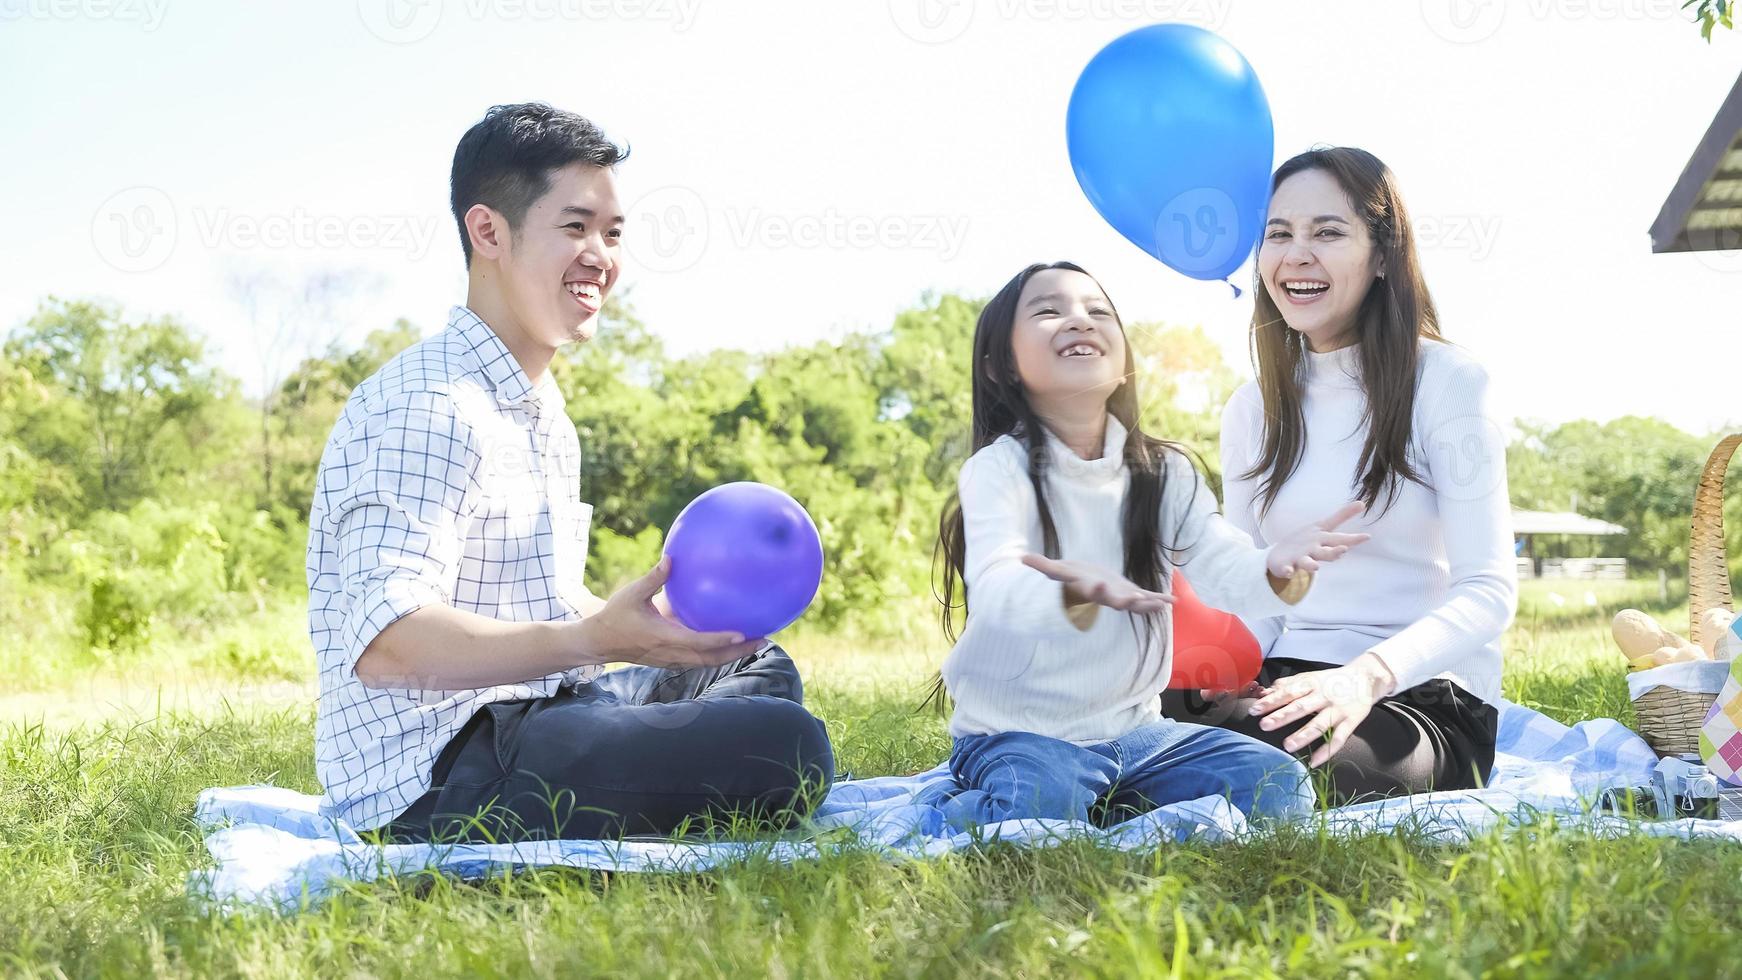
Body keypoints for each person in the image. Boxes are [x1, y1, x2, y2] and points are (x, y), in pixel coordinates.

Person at [308, 103, 833, 842]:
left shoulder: (540, 409)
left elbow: (536, 603)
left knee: (752, 662)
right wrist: (596, 638)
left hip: (542, 712)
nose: (601, 256)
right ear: (488, 231)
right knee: (788, 747)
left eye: (612, 234)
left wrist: (648, 630)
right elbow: (387, 646)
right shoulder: (429, 404)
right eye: (576, 227)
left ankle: (668, 741)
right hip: (439, 773)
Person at [931, 260, 1371, 828]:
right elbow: (997, 585)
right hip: (1016, 737)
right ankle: (1003, 803)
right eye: (1048, 310)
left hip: (1138, 735)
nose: (1079, 321)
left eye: (1098, 311)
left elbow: (1222, 567)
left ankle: (1107, 800)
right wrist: (1071, 592)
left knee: (1279, 785)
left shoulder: (1163, 472)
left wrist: (1275, 566)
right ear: (1000, 367)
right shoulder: (999, 471)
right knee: (1038, 807)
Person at [1161, 147, 1518, 804]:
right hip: (1285, 682)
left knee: (1256, 760)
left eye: (1327, 232)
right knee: (1126, 706)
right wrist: (1215, 668)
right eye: (1279, 235)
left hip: (1417, 701)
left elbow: (1489, 592)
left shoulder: (1449, 383)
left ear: (1382, 255)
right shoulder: (1251, 409)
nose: (1297, 255)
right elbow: (1252, 590)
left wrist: (1363, 678)